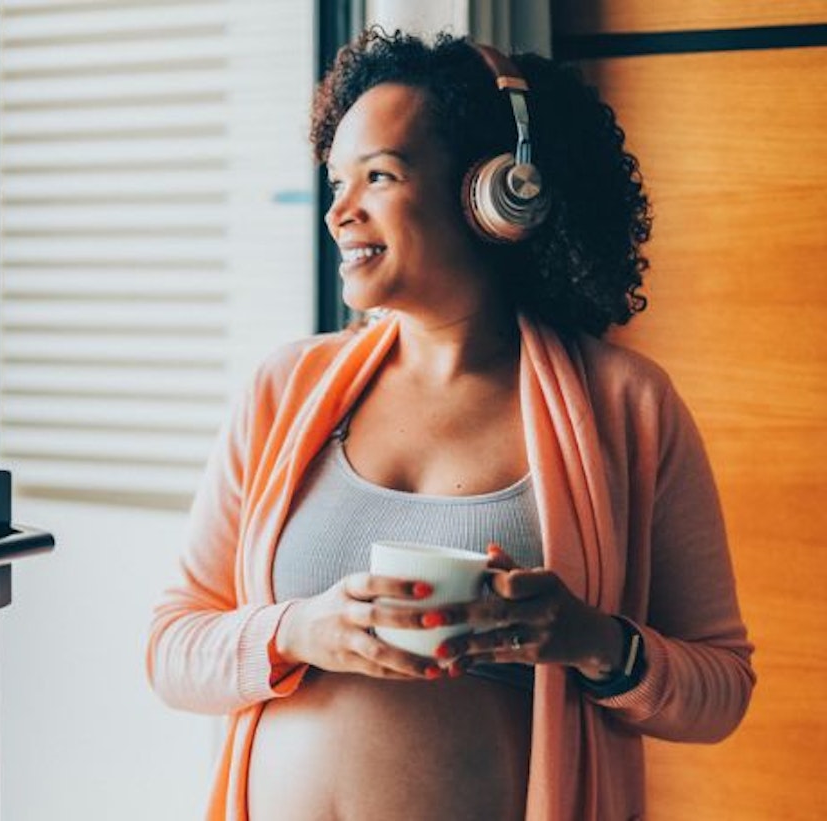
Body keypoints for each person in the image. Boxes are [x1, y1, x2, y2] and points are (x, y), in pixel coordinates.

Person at [146, 29, 755, 821]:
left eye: (379, 176)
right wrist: (300, 631)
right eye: (335, 181)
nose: (339, 212)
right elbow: (171, 647)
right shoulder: (282, 389)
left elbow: (721, 688)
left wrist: (590, 640)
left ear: (498, 192)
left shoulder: (627, 405)